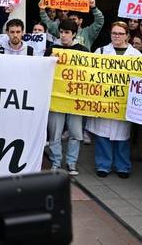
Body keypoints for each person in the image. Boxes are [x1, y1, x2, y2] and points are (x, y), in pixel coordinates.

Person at [86, 21, 142, 179]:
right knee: (102, 135)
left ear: (127, 36)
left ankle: (122, 166)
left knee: (123, 136)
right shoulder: (101, 51)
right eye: (114, 33)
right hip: (104, 101)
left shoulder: (136, 55)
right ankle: (103, 165)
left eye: (120, 33)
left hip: (123, 101)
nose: (117, 36)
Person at [45, 19, 88, 175]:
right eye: (61, 32)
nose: (63, 35)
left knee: (75, 133)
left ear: (74, 34)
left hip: (75, 99)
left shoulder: (83, 51)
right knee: (55, 132)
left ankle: (71, 163)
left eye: (67, 32)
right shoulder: (51, 49)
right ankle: (56, 162)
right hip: (56, 98)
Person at [39, 0, 103, 51]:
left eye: (74, 19)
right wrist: (42, 9)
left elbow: (99, 21)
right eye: (70, 19)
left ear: (80, 21)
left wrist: (94, 8)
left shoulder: (88, 32)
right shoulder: (63, 31)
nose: (63, 34)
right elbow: (48, 23)